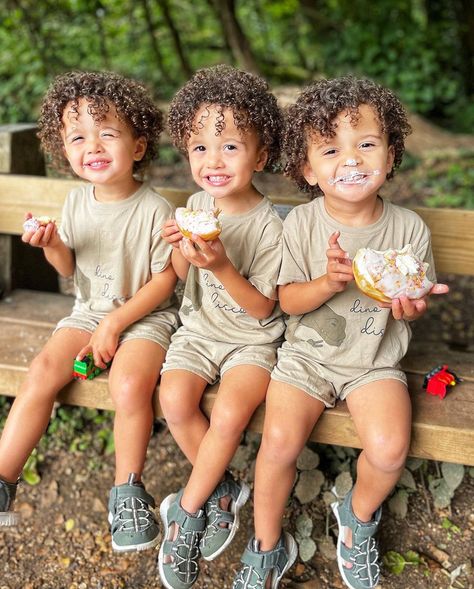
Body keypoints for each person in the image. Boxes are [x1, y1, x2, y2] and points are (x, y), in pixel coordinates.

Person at [232, 76, 449, 589]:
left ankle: (357, 516)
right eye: (331, 149)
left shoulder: (408, 229)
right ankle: (266, 545)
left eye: (366, 145)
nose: (350, 160)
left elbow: (410, 307)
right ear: (308, 168)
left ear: (390, 156)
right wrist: (328, 282)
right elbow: (286, 300)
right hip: (305, 358)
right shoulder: (302, 225)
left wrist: (411, 306)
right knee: (279, 444)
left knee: (391, 447)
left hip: (374, 361)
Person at [0, 71, 179, 553]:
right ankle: (2, 481)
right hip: (87, 312)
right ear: (64, 148)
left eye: (107, 133)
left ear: (138, 146)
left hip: (146, 318)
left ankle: (128, 492)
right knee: (40, 372)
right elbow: (68, 267)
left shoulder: (154, 209)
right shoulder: (76, 199)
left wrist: (116, 324)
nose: (92, 146)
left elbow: (166, 281)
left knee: (128, 385)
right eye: (78, 136)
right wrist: (52, 244)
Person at [157, 64, 285, 589]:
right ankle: (224, 493)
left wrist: (221, 266)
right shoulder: (195, 206)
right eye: (200, 148)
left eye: (230, 147)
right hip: (197, 333)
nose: (213, 161)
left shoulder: (272, 225)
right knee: (174, 401)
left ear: (260, 154)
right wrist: (181, 252)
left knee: (230, 411)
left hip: (253, 342)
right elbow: (182, 278)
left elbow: (263, 310)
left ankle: (185, 517)